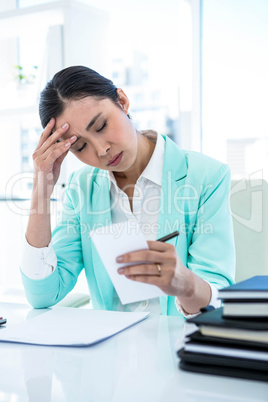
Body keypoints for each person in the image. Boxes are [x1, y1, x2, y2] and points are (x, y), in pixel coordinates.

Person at [21, 65, 235, 316]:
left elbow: (217, 300)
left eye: (101, 126)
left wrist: (185, 284)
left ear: (122, 101)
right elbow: (42, 294)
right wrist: (42, 190)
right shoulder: (82, 187)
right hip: (109, 349)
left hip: (179, 346)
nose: (101, 150)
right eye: (80, 147)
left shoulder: (206, 176)